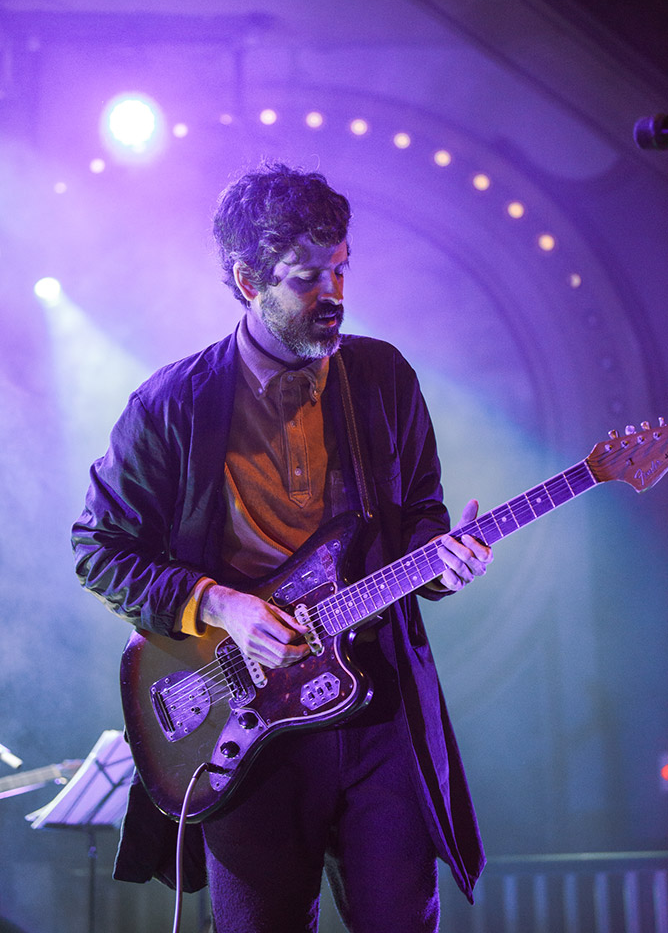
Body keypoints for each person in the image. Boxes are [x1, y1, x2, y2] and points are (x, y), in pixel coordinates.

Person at [71, 162, 493, 933]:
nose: (333, 294)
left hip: (377, 713)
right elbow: (99, 549)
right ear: (245, 279)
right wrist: (218, 605)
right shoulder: (171, 404)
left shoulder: (383, 377)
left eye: (341, 270)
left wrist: (446, 561)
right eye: (307, 278)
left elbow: (421, 517)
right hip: (249, 724)